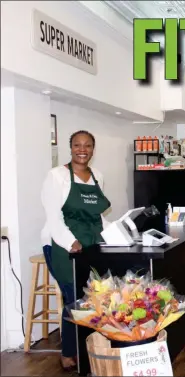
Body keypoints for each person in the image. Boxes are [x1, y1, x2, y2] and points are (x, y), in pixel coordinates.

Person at [41, 130, 111, 370]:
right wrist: (72, 242)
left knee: (95, 296)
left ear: (93, 149)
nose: (83, 150)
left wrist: (119, 232)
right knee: (73, 298)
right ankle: (70, 351)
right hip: (62, 246)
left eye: (88, 145)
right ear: (70, 148)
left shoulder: (97, 176)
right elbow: (53, 218)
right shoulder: (57, 176)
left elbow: (98, 217)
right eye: (78, 145)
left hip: (91, 243)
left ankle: (92, 346)